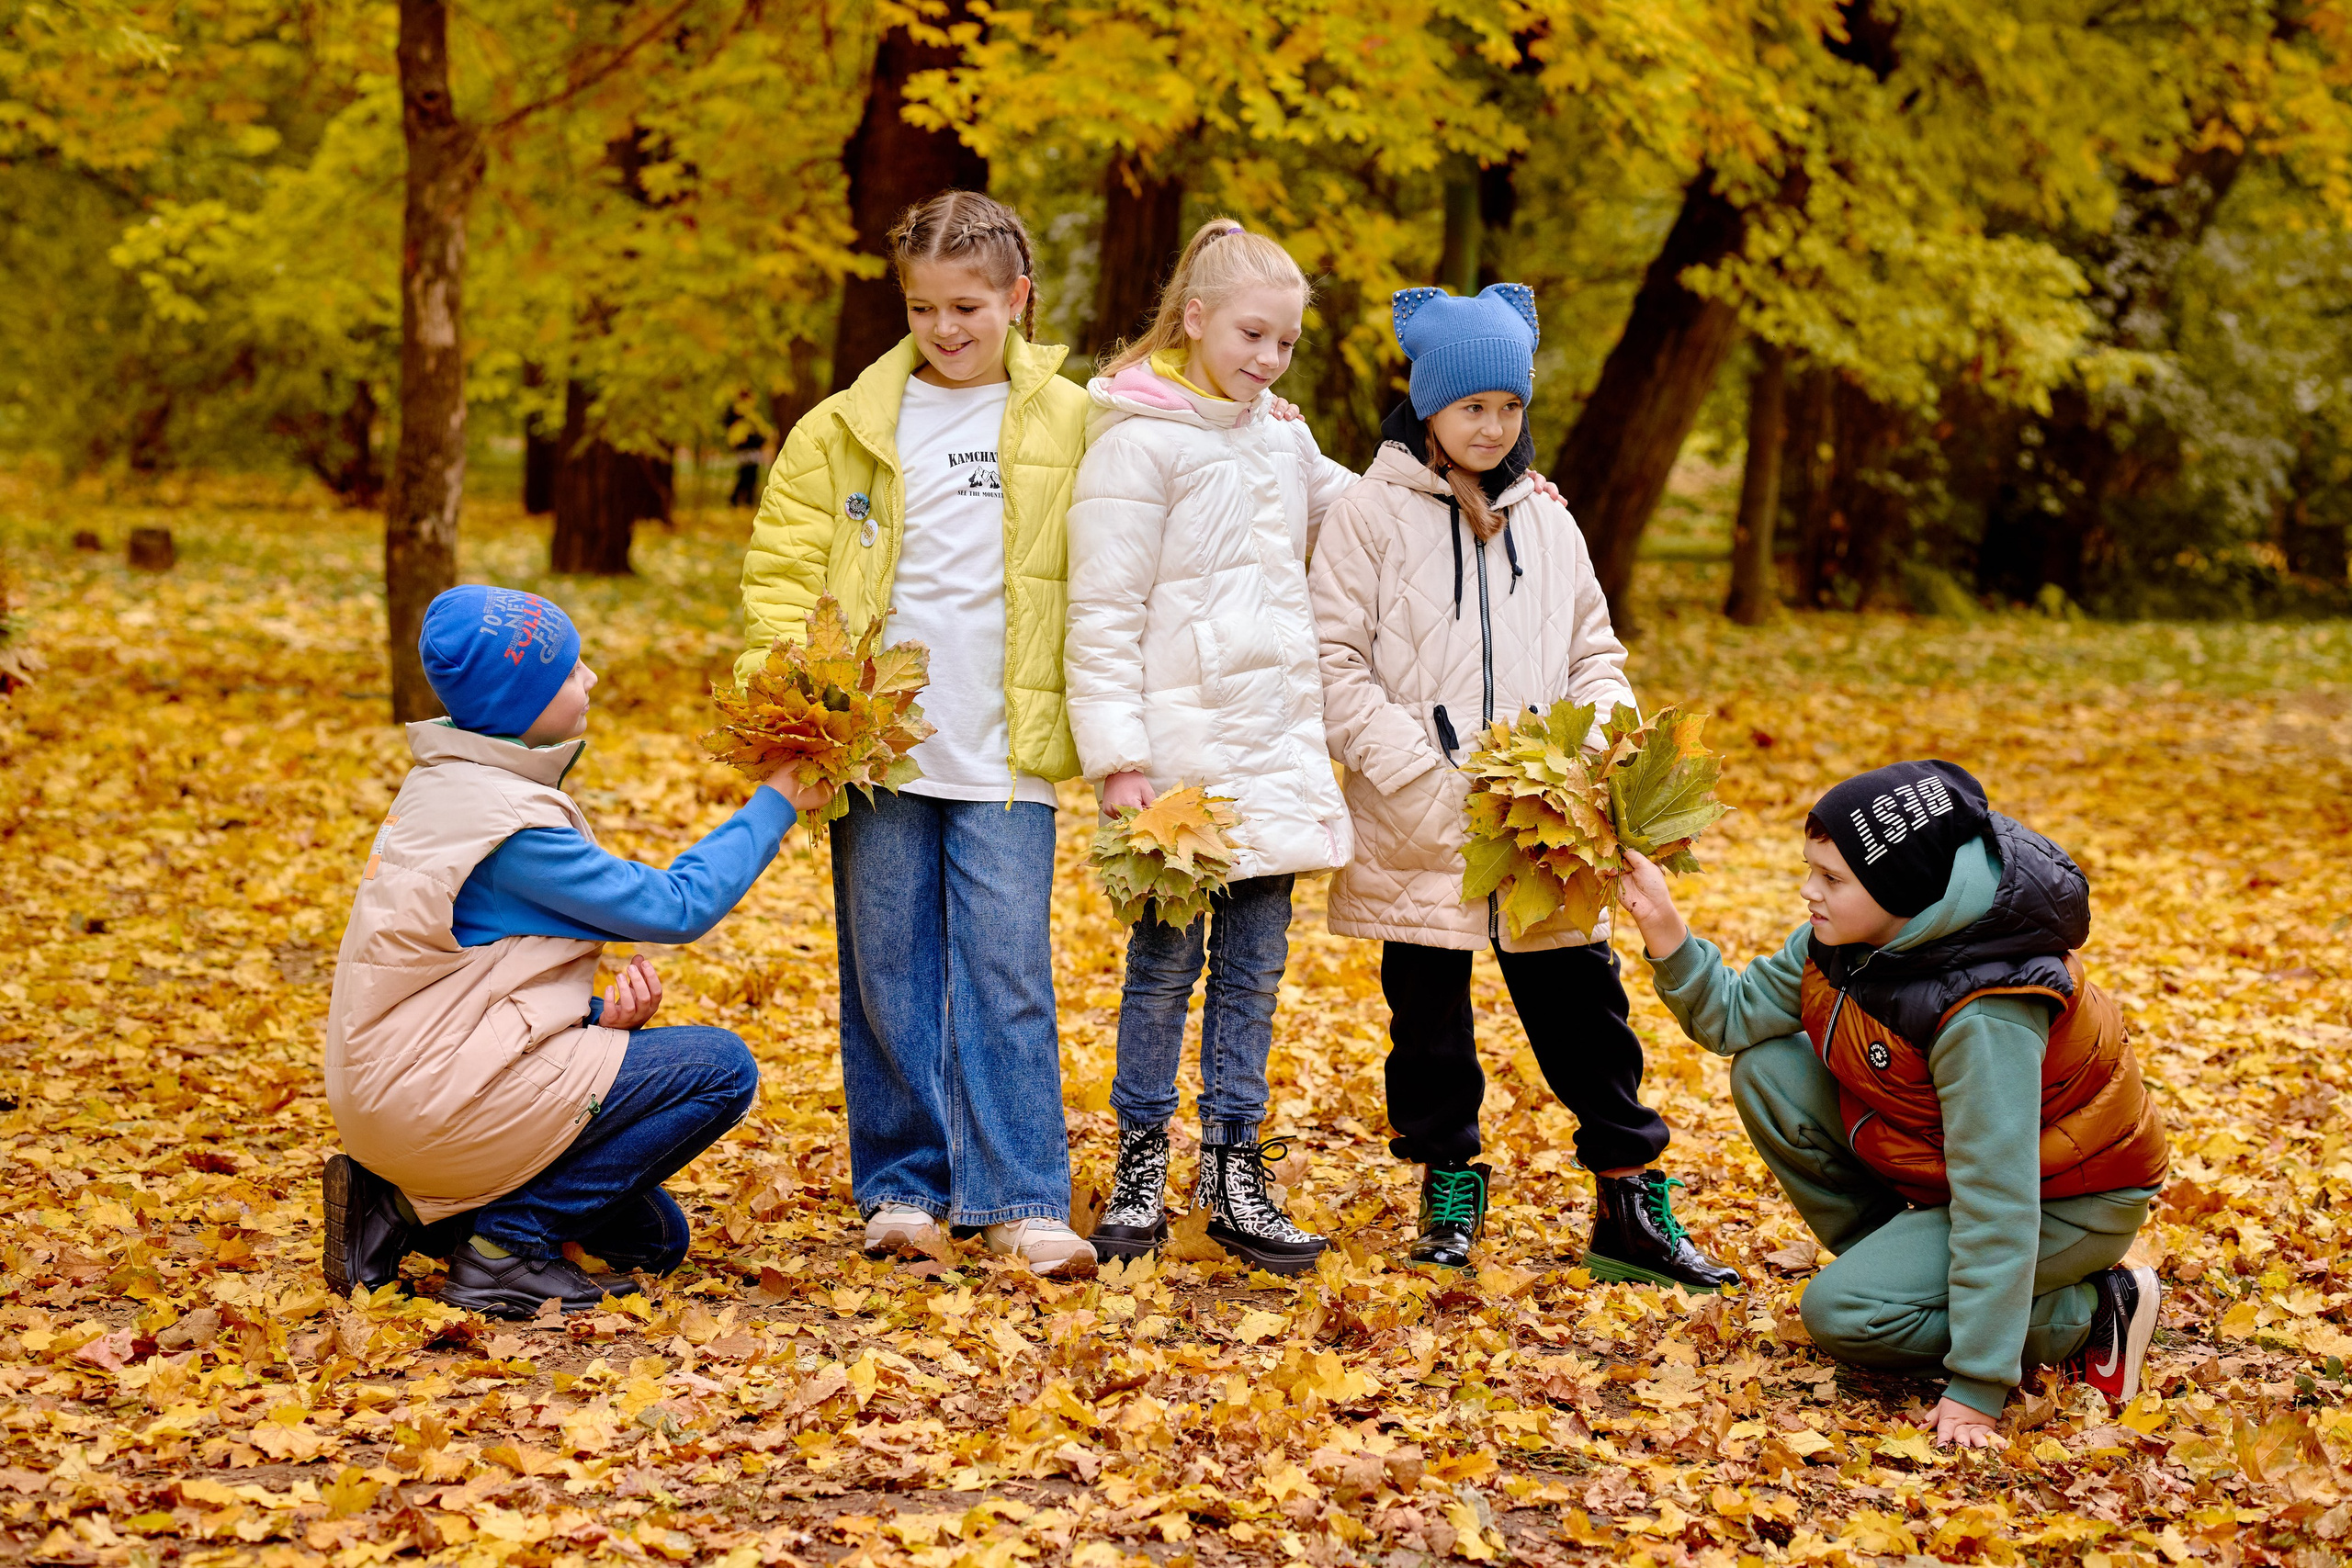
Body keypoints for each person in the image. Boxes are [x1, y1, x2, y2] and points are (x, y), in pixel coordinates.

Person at [1306, 283, 1739, 1289]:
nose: (1493, 427)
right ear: (1429, 407)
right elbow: (1331, 662)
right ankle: (1448, 1186)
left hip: (1548, 822)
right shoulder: (1369, 515)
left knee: (1585, 1009)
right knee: (1428, 1027)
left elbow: (1594, 650)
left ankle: (1628, 1198)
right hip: (1423, 813)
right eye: (1472, 407)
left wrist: (1603, 751)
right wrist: (1413, 765)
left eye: (1509, 406)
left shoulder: (1548, 518)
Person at [738, 191, 1096, 1274]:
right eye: (922, 308)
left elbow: (1157, 511)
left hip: (1007, 749)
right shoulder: (842, 428)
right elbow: (782, 579)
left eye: (967, 308)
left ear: (1017, 299)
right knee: (887, 971)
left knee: (1006, 976)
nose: (945, 329)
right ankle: (903, 1190)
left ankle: (1022, 1196)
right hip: (878, 750)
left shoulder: (1076, 421)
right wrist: (792, 701)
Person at [1617, 760, 2169, 1446]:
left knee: (1844, 1316)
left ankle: (2093, 1312)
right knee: (1767, 1069)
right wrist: (1661, 922)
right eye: (1811, 870)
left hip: (2067, 1197)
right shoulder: (1848, 938)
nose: (1808, 891)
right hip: (1956, 1163)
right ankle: (1897, 1276)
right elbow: (1733, 1017)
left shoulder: (1986, 1011)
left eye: (1832, 879)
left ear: (1899, 888)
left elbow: (1998, 1198)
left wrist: (1977, 1385)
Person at [323, 585, 831, 1317]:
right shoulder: (512, 833)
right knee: (721, 1068)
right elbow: (675, 907)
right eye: (568, 671)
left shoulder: (448, 787)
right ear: (519, 701)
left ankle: (398, 1207)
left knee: (653, 1240)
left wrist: (593, 1023)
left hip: (408, 1089)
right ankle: (503, 1250)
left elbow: (465, 978)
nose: (589, 677)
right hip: (432, 1100)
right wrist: (775, 800)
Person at [1065, 220, 1360, 1275]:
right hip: (1178, 774)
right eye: (1251, 335)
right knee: (1161, 971)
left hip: (1271, 757)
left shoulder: (1281, 438)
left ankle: (1237, 1170)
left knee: (1252, 976)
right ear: (1194, 318)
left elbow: (1365, 514)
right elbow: (1101, 612)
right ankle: (1141, 1161)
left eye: (1285, 343)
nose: (1269, 359)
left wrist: (1482, 480)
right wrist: (1119, 761)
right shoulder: (1136, 442)